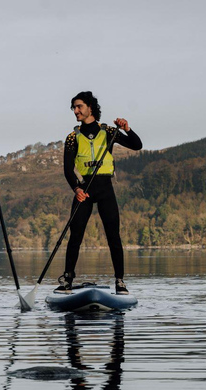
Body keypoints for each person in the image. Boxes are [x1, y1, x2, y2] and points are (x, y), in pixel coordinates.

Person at [57, 91, 142, 294]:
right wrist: (76, 189)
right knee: (75, 235)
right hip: (84, 190)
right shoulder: (72, 137)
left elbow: (137, 145)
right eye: (74, 108)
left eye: (79, 107)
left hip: (105, 189)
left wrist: (127, 129)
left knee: (114, 236)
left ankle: (120, 281)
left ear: (90, 108)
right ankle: (68, 279)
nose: (75, 111)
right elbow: (68, 170)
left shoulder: (109, 132)